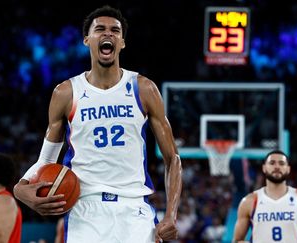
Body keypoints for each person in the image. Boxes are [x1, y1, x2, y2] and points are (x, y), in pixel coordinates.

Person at [13, 5, 182, 243]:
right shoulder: (66, 92)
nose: (108, 34)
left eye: (115, 30)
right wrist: (20, 188)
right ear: (87, 40)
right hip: (85, 209)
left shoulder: (143, 88)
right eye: (100, 29)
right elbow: (46, 160)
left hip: (134, 209)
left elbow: (172, 159)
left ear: (122, 42)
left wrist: (171, 215)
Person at [232, 150, 297, 243]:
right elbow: (237, 240)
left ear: (288, 169)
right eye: (272, 163)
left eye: (281, 163)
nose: (277, 167)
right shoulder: (249, 202)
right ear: (264, 168)